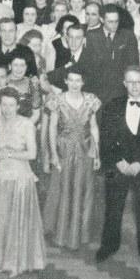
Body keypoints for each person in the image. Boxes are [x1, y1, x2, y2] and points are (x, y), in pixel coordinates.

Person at [96, 67, 140, 268]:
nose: (135, 86)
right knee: (113, 208)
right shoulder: (112, 106)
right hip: (117, 166)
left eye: (139, 82)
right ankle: (109, 245)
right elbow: (106, 137)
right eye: (131, 82)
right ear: (124, 84)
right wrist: (119, 161)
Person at [0, 87, 46, 275]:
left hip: (20, 178)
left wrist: (9, 153)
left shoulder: (26, 124)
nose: (7, 109)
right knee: (0, 220)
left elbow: (32, 154)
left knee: (17, 221)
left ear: (18, 105)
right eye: (4, 104)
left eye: (11, 105)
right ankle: (0, 259)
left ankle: (15, 262)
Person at [43, 67, 101, 250]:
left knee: (83, 190)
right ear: (66, 81)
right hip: (64, 148)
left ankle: (79, 234)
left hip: (85, 149)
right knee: (63, 189)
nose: (75, 84)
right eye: (71, 80)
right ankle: (60, 233)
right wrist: (53, 154)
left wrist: (97, 153)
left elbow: (93, 127)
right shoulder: (56, 101)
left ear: (83, 82)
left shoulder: (91, 100)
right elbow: (52, 128)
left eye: (78, 80)